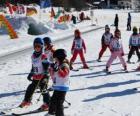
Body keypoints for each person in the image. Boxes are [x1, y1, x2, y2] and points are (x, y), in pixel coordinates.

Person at [19, 37, 50, 111]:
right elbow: (33, 66)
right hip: (36, 76)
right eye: (35, 46)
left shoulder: (43, 56)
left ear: (42, 46)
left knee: (43, 89)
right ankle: (27, 101)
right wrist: (31, 73)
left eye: (39, 46)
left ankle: (48, 103)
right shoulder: (33, 56)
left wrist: (45, 73)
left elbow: (47, 65)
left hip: (43, 76)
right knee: (30, 88)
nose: (37, 48)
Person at [45, 49, 70, 116]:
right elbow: (53, 75)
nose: (55, 59)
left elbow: (64, 74)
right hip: (57, 86)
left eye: (55, 58)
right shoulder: (57, 64)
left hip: (63, 86)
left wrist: (57, 69)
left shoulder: (65, 65)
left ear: (59, 57)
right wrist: (51, 69)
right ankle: (51, 112)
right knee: (53, 100)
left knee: (59, 103)